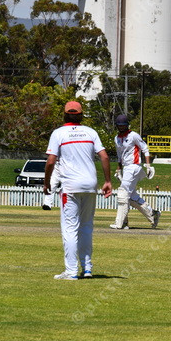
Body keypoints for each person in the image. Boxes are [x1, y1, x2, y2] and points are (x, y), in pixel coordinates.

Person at [44, 101, 113, 280]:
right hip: (90, 185)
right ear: (81, 115)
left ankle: (71, 271)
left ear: (64, 114)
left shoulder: (58, 133)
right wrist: (107, 181)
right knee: (86, 227)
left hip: (71, 187)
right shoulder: (91, 132)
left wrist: (46, 183)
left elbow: (51, 161)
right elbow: (104, 156)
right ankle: (87, 268)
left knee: (70, 229)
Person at [110, 114, 161, 230]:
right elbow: (120, 156)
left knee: (123, 193)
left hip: (134, 166)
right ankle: (153, 214)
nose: (121, 127)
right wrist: (118, 169)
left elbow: (145, 149)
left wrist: (148, 165)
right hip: (126, 168)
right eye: (119, 125)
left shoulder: (133, 136)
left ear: (127, 125)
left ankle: (120, 223)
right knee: (131, 197)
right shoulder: (116, 139)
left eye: (123, 125)